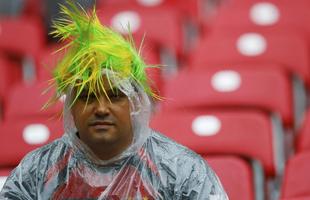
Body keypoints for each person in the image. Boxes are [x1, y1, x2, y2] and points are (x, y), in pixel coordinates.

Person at [0, 2, 228, 199]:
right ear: (71, 107)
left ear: (136, 103)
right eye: (87, 97)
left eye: (115, 96)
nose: (101, 108)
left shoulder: (182, 172)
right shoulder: (37, 173)